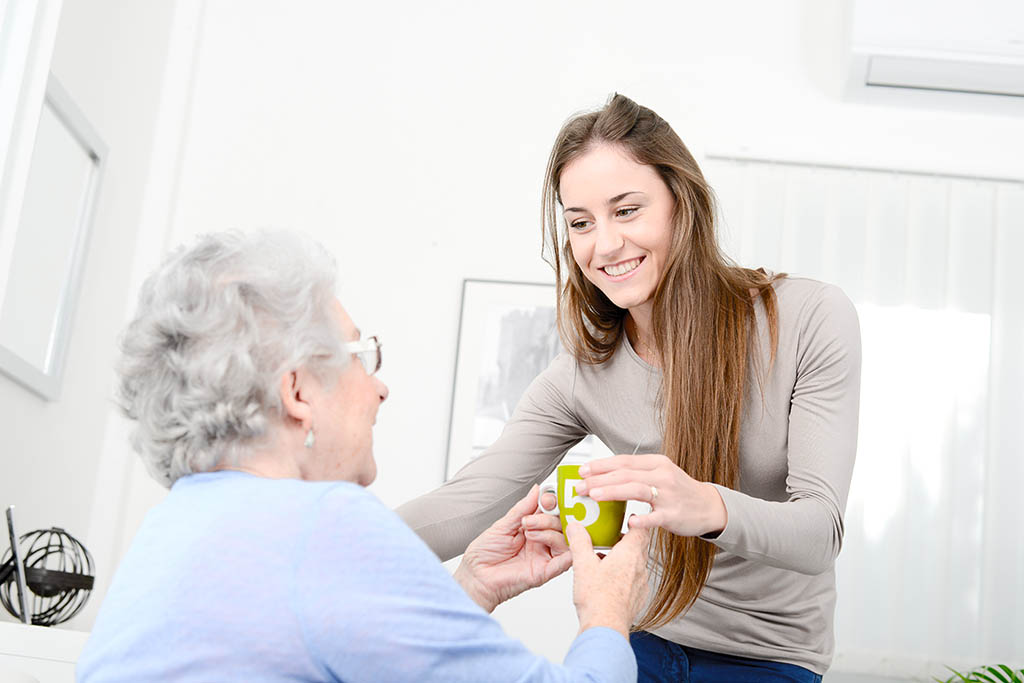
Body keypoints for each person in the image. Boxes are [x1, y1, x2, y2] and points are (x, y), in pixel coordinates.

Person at [397, 94, 862, 682]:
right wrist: (324, 545)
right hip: (638, 642)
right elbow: (465, 504)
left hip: (769, 658)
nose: (605, 245)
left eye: (627, 210)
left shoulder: (807, 318)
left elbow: (820, 533)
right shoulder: (579, 376)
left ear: (680, 203)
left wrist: (703, 503)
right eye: (581, 222)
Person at [76, 230, 651, 682]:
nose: (379, 388)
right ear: (297, 390)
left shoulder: (175, 525)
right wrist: (606, 608)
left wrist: (472, 587)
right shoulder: (322, 524)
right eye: (360, 355)